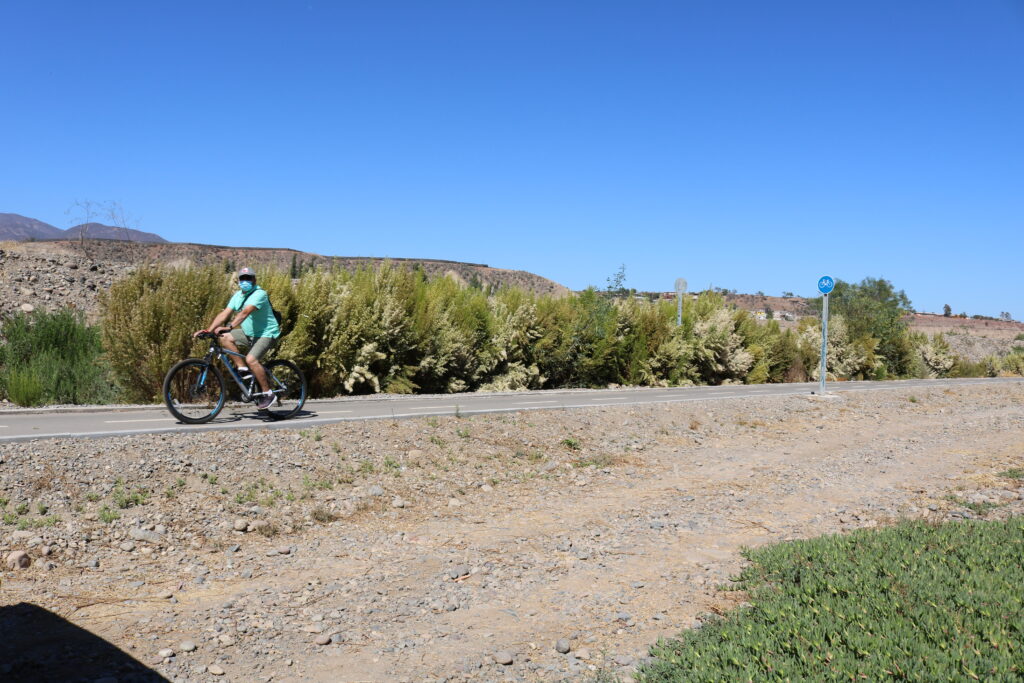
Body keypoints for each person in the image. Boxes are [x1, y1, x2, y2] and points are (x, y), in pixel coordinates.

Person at [194, 267, 281, 410]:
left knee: (251, 359)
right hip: (249, 333)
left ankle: (268, 393)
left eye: (248, 278)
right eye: (242, 278)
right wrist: (208, 330)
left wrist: (230, 326)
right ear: (239, 281)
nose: (245, 281)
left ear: (254, 280)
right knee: (224, 337)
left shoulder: (260, 294)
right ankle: (243, 369)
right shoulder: (237, 296)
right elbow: (225, 314)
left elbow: (245, 312)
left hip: (266, 333)